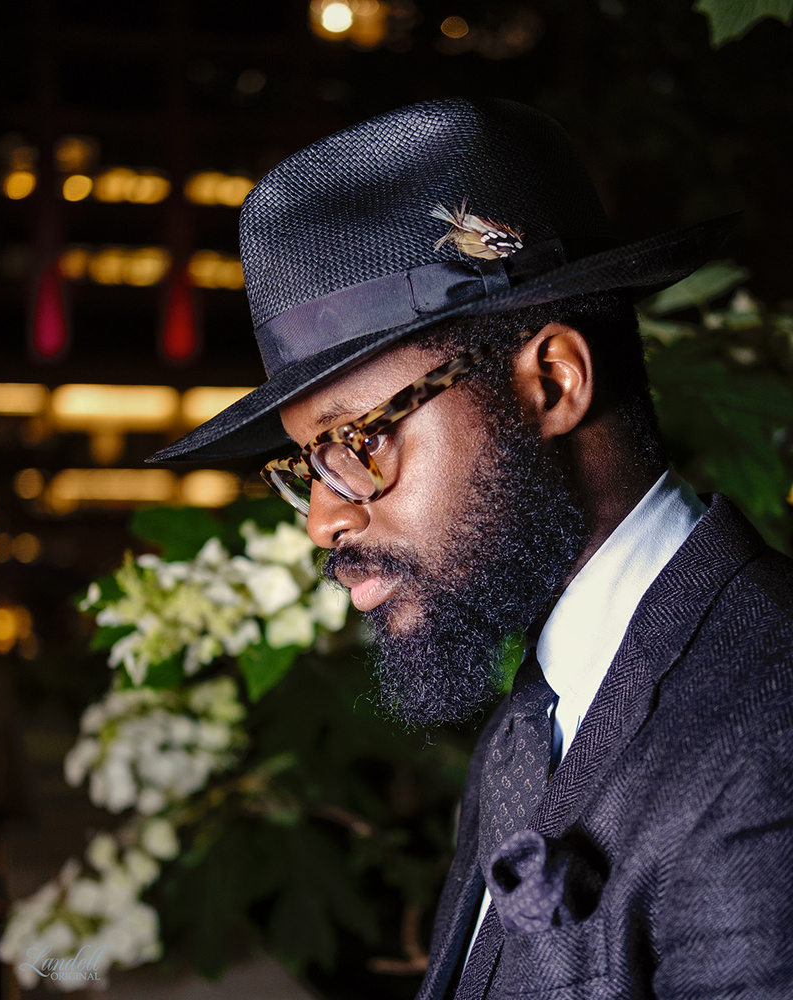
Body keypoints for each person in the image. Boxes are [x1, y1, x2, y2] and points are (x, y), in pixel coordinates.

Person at [150, 99, 793, 998]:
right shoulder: (530, 724)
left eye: (360, 439)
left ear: (554, 381)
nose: (321, 522)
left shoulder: (767, 735)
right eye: (307, 465)